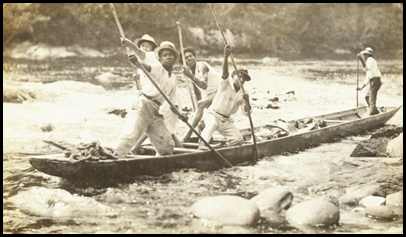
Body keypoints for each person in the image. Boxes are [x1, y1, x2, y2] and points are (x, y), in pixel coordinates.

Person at [113, 41, 180, 158]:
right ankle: (115, 157)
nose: (168, 57)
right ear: (160, 59)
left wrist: (181, 114)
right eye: (165, 55)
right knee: (130, 135)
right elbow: (147, 67)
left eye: (170, 55)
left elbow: (173, 102)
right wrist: (137, 62)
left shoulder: (174, 78)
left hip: (155, 111)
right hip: (143, 105)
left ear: (175, 58)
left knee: (167, 146)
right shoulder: (158, 68)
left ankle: (157, 163)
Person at [198, 45, 252, 150]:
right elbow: (224, 72)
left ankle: (222, 149)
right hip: (212, 114)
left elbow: (247, 113)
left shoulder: (244, 93)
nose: (242, 80)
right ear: (233, 76)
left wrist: (247, 101)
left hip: (226, 120)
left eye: (244, 78)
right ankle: (202, 145)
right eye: (240, 76)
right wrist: (226, 56)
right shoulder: (225, 84)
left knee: (238, 140)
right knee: (212, 124)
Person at [181, 47, 221, 142]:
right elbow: (197, 93)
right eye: (186, 58)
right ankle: (208, 141)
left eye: (190, 56)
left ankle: (187, 135)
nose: (189, 58)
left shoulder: (201, 66)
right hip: (210, 95)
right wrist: (197, 111)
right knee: (202, 122)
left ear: (195, 57)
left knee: (201, 105)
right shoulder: (190, 72)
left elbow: (204, 85)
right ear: (183, 62)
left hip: (221, 91)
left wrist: (190, 76)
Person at [357, 47, 382, 115]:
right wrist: (361, 88)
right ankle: (374, 110)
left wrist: (361, 60)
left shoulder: (370, 59)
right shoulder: (371, 61)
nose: (364, 56)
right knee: (367, 97)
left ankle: (372, 112)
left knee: (371, 97)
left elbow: (367, 68)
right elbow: (368, 77)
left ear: (368, 55)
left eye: (365, 55)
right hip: (374, 81)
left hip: (375, 81)